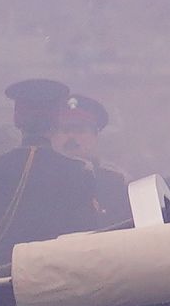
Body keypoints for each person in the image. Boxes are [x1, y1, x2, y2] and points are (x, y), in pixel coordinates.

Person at [0, 78, 114, 254]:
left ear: (17, 119)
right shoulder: (77, 172)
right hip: (59, 275)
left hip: (2, 278)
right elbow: (85, 241)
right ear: (55, 120)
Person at [53, 91, 135, 223]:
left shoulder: (117, 183)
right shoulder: (43, 177)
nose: (71, 137)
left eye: (80, 130)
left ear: (95, 136)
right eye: (65, 130)